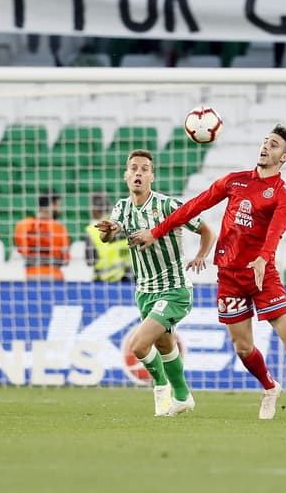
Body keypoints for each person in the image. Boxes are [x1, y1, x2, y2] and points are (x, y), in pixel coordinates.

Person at [128, 126, 286, 421]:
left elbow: (275, 233)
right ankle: (269, 388)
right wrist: (156, 231)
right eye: (265, 141)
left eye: (274, 145)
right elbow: (194, 206)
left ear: (284, 156)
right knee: (242, 348)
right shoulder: (235, 181)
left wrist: (264, 259)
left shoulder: (284, 196)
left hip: (263, 276)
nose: (266, 147)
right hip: (229, 275)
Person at [98, 150, 216, 416]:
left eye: (144, 169)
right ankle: (183, 397)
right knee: (164, 345)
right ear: (126, 175)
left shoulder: (167, 206)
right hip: (144, 291)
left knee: (139, 345)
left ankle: (161, 387)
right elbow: (111, 232)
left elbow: (207, 230)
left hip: (175, 289)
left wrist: (200, 256)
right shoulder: (122, 208)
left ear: (152, 176)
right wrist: (108, 231)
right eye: (133, 168)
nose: (138, 173)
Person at [14, 192, 71, 282]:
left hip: (31, 276)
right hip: (54, 277)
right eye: (58, 206)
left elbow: (20, 251)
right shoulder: (60, 228)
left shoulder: (21, 225)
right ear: (52, 205)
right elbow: (66, 260)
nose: (59, 210)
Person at [84, 192, 131, 283]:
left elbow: (90, 261)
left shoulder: (92, 230)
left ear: (94, 210)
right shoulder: (125, 223)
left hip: (103, 282)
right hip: (130, 280)